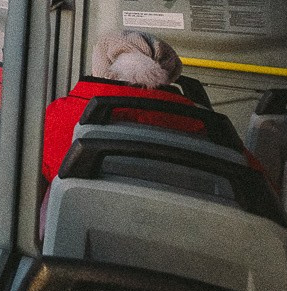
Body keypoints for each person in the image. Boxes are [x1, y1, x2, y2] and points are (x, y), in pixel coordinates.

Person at [38, 31, 216, 186]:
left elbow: (49, 172)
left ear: (100, 67)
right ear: (169, 73)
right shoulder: (206, 125)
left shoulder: (61, 115)